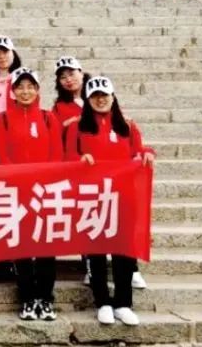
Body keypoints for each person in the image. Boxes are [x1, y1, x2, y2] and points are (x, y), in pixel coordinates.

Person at [66, 76, 155, 327]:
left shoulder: (127, 125)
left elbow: (139, 150)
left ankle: (123, 303)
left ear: (113, 97)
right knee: (96, 251)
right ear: (88, 100)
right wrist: (80, 160)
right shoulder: (77, 127)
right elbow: (68, 155)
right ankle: (102, 301)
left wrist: (147, 153)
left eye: (105, 95)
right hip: (92, 197)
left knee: (123, 251)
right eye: (95, 96)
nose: (101, 100)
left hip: (123, 196)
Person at [53, 56, 146, 291]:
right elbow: (63, 144)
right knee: (92, 227)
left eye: (72, 73)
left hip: (119, 184)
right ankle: (94, 273)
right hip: (89, 181)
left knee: (122, 227)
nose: (68, 79)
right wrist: (69, 125)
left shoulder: (119, 117)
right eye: (63, 76)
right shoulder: (61, 109)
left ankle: (131, 269)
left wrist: (147, 153)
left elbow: (136, 145)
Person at [0, 68, 62, 321]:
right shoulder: (3, 119)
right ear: (12, 91)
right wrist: (19, 180)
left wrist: (43, 181)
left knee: (46, 245)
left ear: (37, 90)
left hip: (44, 191)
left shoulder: (47, 117)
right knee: (21, 245)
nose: (25, 91)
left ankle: (46, 298)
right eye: (20, 87)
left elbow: (56, 154)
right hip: (16, 190)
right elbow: (2, 154)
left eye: (30, 87)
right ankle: (28, 298)